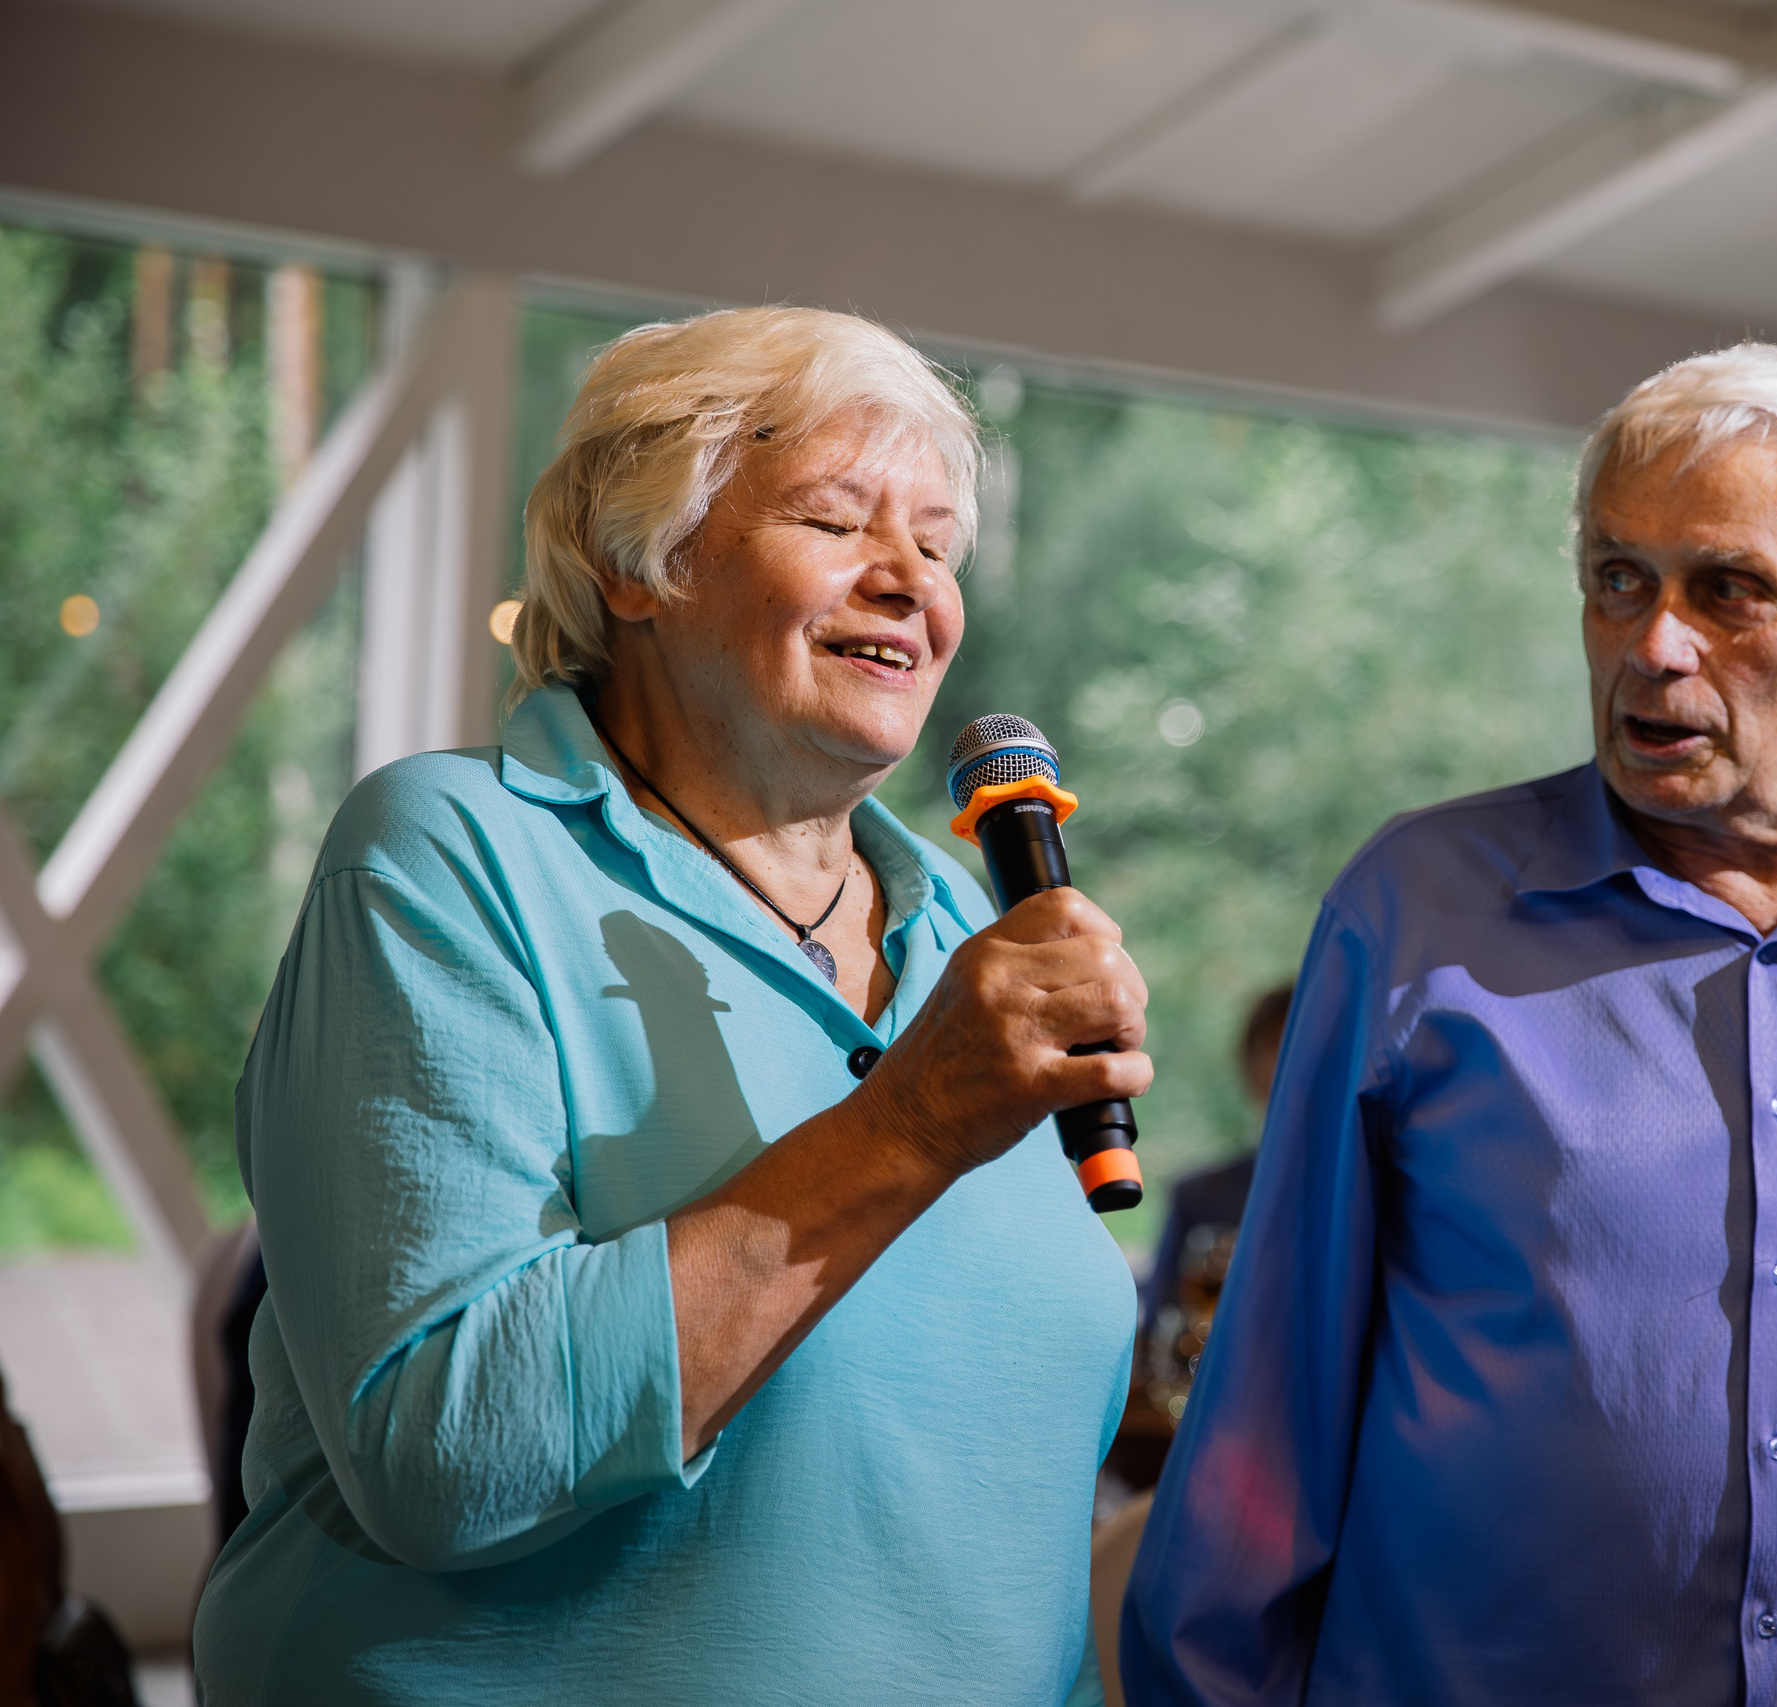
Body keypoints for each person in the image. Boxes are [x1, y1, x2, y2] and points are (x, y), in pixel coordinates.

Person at [1123, 344, 1777, 1705]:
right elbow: (1265, 1417)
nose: (1654, 645)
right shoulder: (1416, 912)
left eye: (1729, 590)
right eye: (1619, 579)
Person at [193, 307, 1151, 1703]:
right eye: (836, 520)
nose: (909, 581)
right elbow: (442, 1449)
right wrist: (908, 1124)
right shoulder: (454, 852)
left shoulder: (975, 935)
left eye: (939, 546)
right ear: (635, 566)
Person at [1140, 984, 1291, 1325]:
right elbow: (1163, 1322)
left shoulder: (1368, 1195)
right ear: (1249, 1065)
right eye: (1279, 1047)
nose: (1296, 1066)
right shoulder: (1200, 1196)